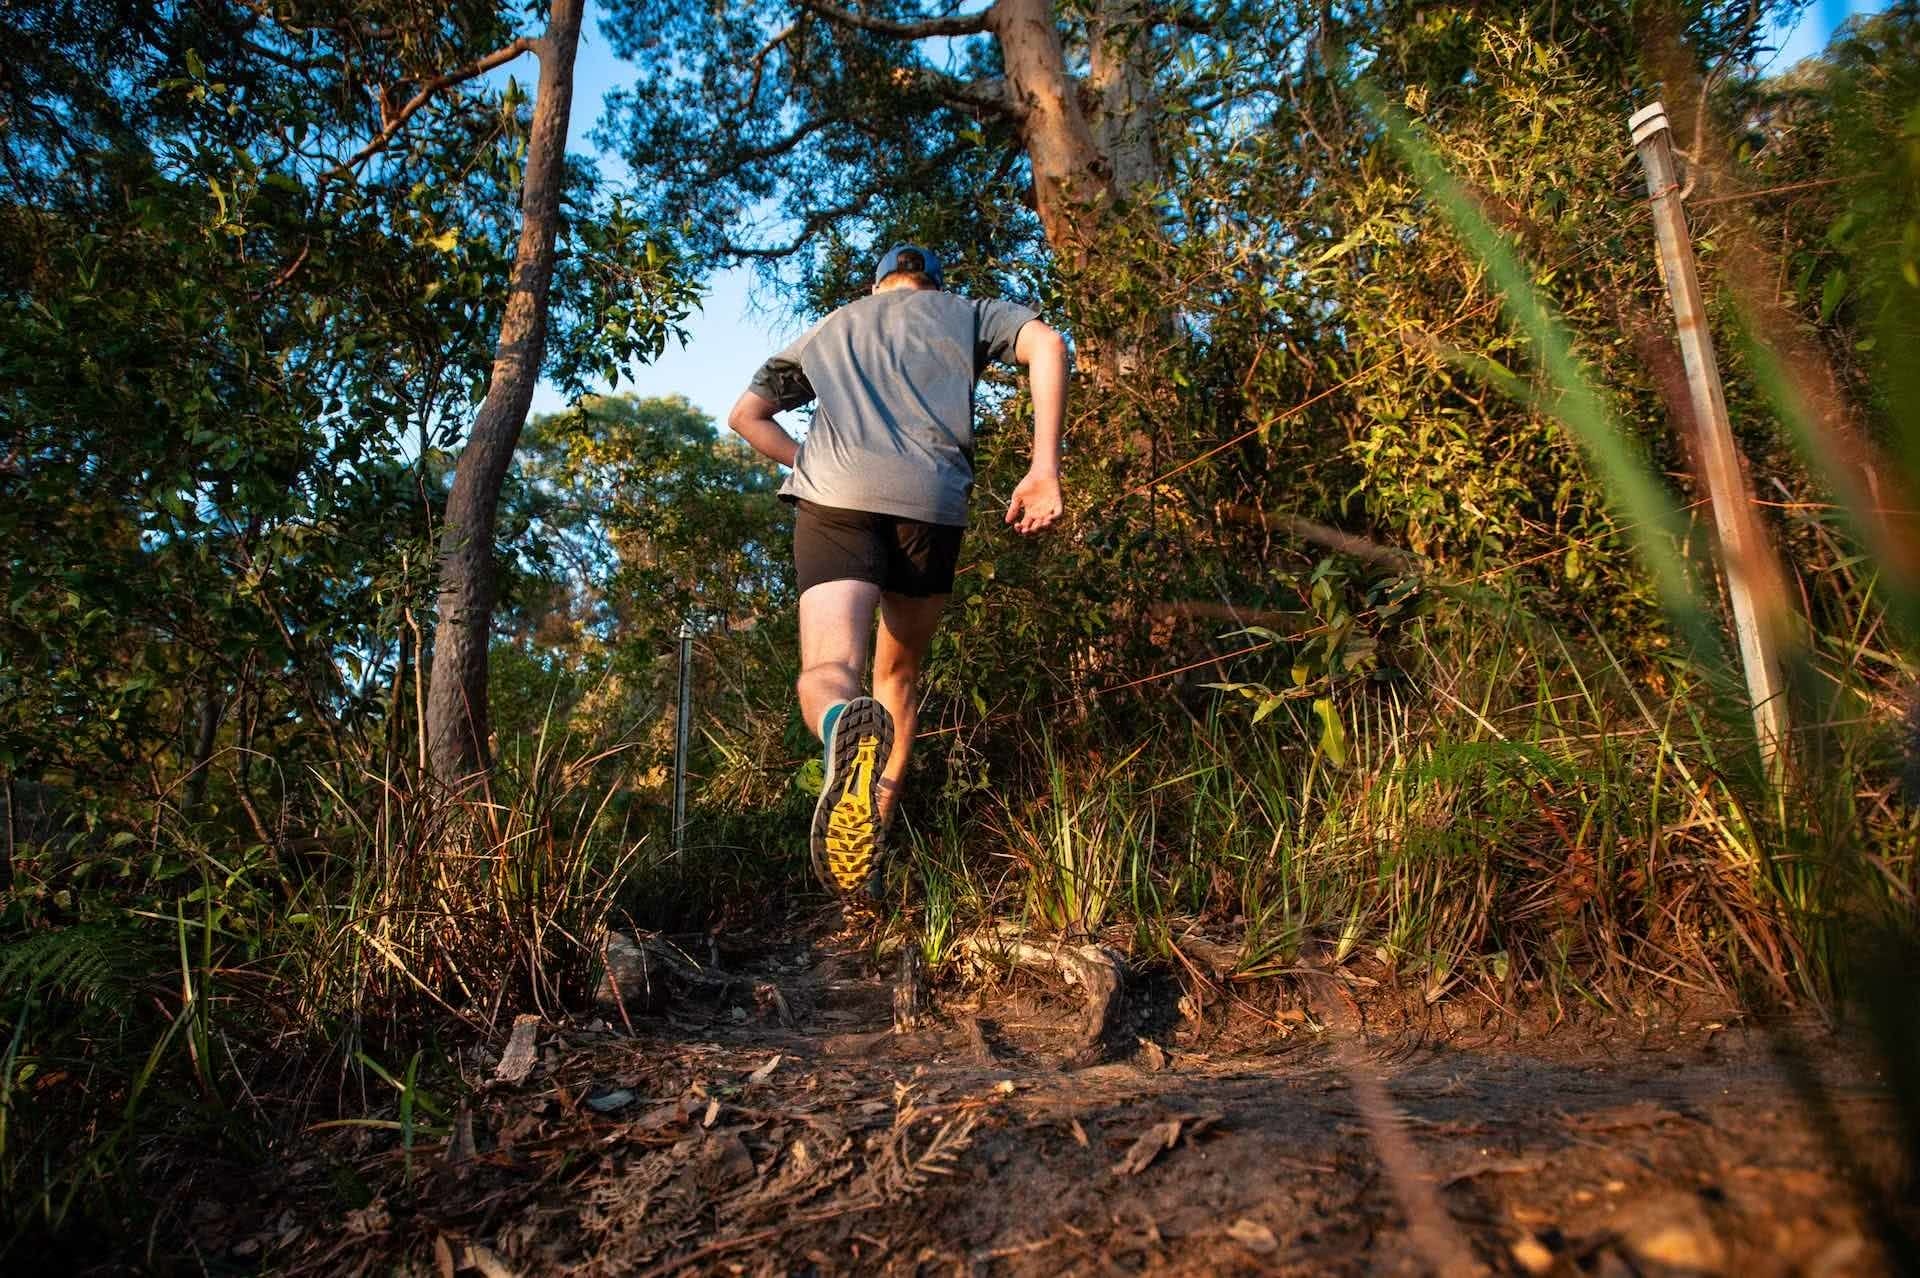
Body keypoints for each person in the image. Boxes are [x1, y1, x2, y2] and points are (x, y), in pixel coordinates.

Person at [726, 244, 1069, 899]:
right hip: (930, 503)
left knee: (830, 669)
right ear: (932, 284)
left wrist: (808, 461)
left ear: (876, 284)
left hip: (835, 498)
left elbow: (746, 416)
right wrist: (1043, 468)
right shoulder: (967, 312)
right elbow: (1048, 344)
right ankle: (866, 860)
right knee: (898, 677)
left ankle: (839, 728)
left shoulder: (831, 326)